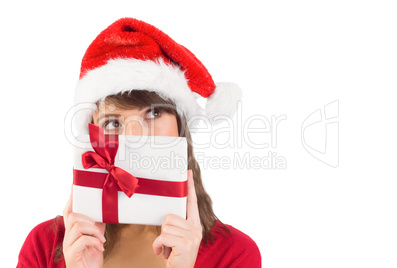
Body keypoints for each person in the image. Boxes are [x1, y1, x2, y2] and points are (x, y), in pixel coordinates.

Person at [17, 17, 261, 267]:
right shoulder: (43, 246)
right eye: (112, 123)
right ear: (92, 139)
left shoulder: (234, 253)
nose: (134, 137)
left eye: (154, 113)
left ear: (181, 128)